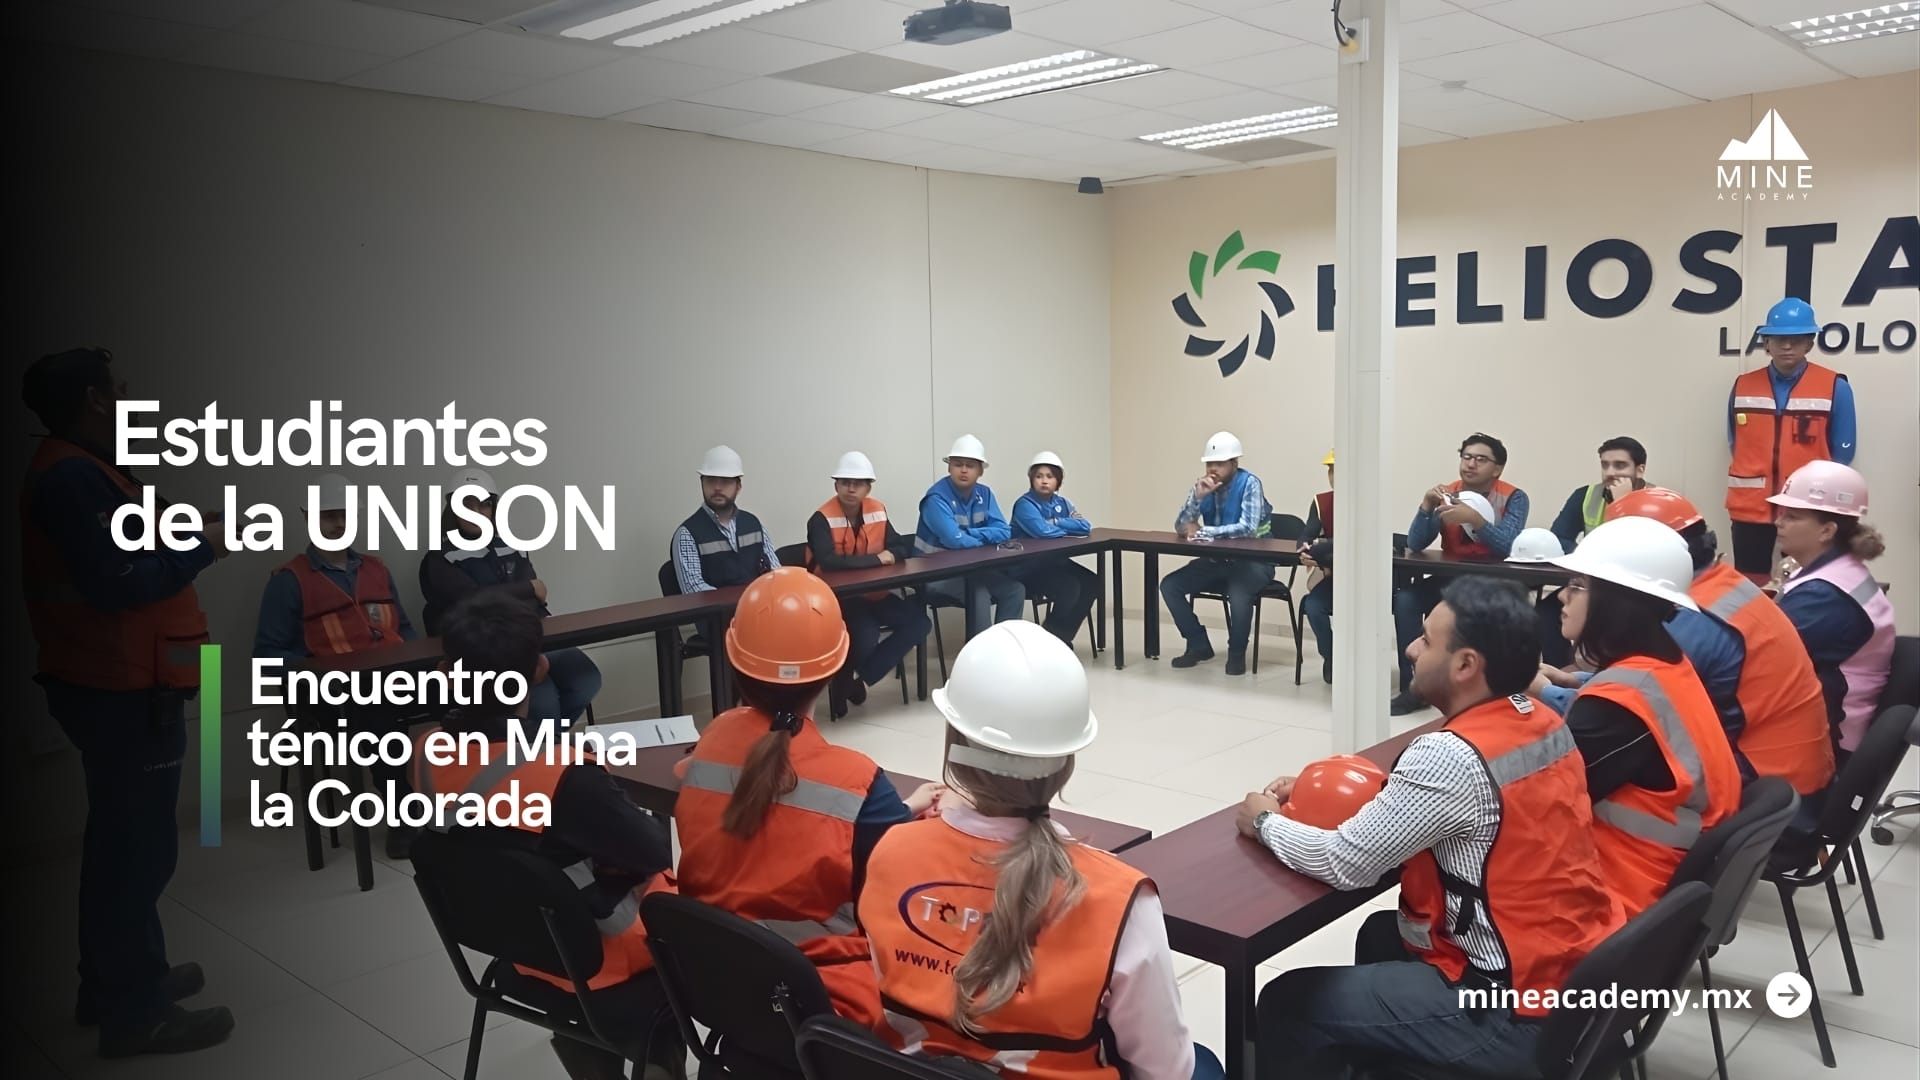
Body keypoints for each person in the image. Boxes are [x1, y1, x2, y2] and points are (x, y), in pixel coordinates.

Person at [1242, 578, 1623, 1078]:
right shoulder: (1543, 720)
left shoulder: (1447, 756)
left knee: (1287, 1000)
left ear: (1466, 665)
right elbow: (1462, 804)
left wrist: (1264, 822)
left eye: (1425, 639)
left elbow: (1343, 864)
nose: (1411, 648)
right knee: (1381, 935)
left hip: (1507, 1008)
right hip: (1570, 974)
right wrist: (1328, 789)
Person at [861, 621, 1226, 1080]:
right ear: (1066, 764)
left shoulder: (891, 850)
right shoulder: (1118, 899)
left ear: (953, 741)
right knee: (1204, 1066)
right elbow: (1165, 1069)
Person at [20, 348, 235, 1057]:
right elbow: (117, 582)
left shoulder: (90, 469)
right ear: (92, 397)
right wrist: (201, 547)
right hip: (119, 690)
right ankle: (134, 1014)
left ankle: (114, 982)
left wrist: (186, 531)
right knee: (136, 854)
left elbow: (132, 548)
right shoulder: (73, 479)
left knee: (123, 845)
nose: (126, 396)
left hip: (129, 684)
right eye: (116, 388)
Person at [414, 592, 676, 1080]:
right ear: (538, 671)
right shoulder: (562, 777)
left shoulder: (425, 753)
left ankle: (582, 1051)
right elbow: (653, 850)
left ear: (447, 669)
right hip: (602, 962)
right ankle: (656, 1062)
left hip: (515, 947)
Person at [673, 568, 940, 1027]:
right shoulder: (857, 780)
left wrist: (899, 812)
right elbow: (905, 884)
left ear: (736, 662)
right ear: (835, 666)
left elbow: (766, 803)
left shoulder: (713, 737)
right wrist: (913, 817)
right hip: (820, 1001)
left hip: (714, 980)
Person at [1590, 489, 1833, 813]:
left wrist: (1545, 691)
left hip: (1767, 796)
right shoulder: (1723, 585)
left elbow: (1625, 712)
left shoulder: (1691, 621)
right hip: (1789, 778)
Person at [1545, 517, 1742, 916]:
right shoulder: (1666, 663)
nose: (1562, 597)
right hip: (1665, 889)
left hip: (1619, 894)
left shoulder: (1618, 705)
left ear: (1617, 601)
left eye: (1579, 585)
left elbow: (1539, 802)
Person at [254, 471, 421, 858]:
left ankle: (479, 796)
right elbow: (267, 659)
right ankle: (405, 813)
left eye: (346, 514)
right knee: (375, 708)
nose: (340, 523)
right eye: (330, 515)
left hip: (394, 680)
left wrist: (421, 666)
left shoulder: (377, 569)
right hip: (334, 697)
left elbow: (407, 630)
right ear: (310, 517)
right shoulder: (288, 581)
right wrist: (321, 677)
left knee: (472, 684)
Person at [418, 466, 602, 725]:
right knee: (544, 701)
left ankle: (546, 741)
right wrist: (527, 588)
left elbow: (532, 599)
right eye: (468, 505)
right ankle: (538, 749)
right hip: (491, 647)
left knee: (586, 678)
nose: (478, 513)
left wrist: (514, 594)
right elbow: (472, 602)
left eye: (485, 505)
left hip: (535, 632)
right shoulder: (440, 556)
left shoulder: (511, 545)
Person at [1391, 433, 1530, 715]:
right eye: (1466, 457)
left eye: (1481, 459)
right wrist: (1426, 507)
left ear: (1498, 468)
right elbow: (1416, 543)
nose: (1471, 464)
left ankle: (1489, 690)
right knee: (1406, 600)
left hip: (1495, 583)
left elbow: (1508, 545)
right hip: (1451, 579)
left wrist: (1476, 521)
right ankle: (1414, 686)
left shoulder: (1514, 497)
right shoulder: (1448, 493)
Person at [1768, 461, 1896, 765]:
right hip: (1826, 721)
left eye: (1792, 516)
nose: (1778, 522)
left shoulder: (1826, 596)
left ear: (1827, 530)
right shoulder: (1838, 572)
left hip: (1828, 741)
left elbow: (1761, 658)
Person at [1726, 297, 1857, 585]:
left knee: (1805, 582)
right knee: (1749, 584)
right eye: (1779, 338)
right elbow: (1736, 441)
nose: (1787, 345)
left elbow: (1842, 454)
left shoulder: (1836, 387)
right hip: (1751, 505)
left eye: (1796, 339)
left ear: (1809, 343)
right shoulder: (1743, 386)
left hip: (1807, 505)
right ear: (1766, 343)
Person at [804, 451, 931, 718]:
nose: (851, 488)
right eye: (845, 482)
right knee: (865, 634)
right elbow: (829, 562)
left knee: (920, 623)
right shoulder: (820, 519)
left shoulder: (877, 510)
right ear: (836, 484)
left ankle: (858, 679)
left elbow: (899, 547)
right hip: (839, 600)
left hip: (876, 593)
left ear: (868, 487)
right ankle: (842, 678)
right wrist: (877, 558)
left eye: (858, 483)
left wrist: (889, 555)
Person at [1163, 431, 1274, 677]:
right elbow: (1181, 527)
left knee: (1238, 594)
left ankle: (1236, 654)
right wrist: (1197, 498)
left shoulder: (1250, 484)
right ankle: (1198, 644)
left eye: (1220, 463)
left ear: (1234, 463)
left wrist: (1206, 532)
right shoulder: (1203, 486)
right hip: (1218, 560)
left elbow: (1248, 527)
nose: (1213, 468)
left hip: (1254, 561)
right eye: (1209, 463)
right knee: (1170, 585)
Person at [915, 434, 1024, 639]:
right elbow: (954, 541)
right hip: (935, 574)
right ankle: (981, 661)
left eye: (970, 465)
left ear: (980, 470)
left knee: (1014, 590)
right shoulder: (935, 498)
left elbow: (1004, 531)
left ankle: (1005, 652)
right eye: (958, 464)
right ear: (949, 467)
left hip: (971, 570)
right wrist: (981, 537)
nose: (963, 470)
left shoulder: (986, 494)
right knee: (979, 593)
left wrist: (970, 534)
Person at [1010, 451, 1099, 648]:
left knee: (1093, 582)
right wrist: (1065, 526)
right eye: (1039, 476)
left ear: (1058, 481)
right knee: (1070, 587)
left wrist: (1057, 521)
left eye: (1049, 476)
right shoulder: (1024, 505)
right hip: (1027, 567)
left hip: (1053, 562)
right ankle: (1047, 642)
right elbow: (1042, 532)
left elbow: (1085, 526)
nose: (1044, 481)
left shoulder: (1063, 503)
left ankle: (1061, 638)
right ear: (1031, 479)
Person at [672, 445, 778, 594]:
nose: (717, 487)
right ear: (701, 483)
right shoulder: (687, 535)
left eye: (725, 480)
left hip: (757, 611)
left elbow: (776, 575)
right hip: (715, 616)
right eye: (710, 480)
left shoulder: (754, 525)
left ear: (738, 486)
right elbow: (694, 592)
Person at [1548, 436, 1649, 554]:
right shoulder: (1585, 495)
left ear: (1640, 470)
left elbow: (1646, 552)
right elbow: (1557, 539)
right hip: (1592, 569)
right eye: (1605, 465)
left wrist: (1622, 504)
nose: (1609, 473)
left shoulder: (1660, 500)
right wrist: (1586, 555)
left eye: (1620, 465)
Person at [1298, 449, 1335, 683]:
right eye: (1331, 470)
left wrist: (1325, 546)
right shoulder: (1321, 501)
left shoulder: (1369, 499)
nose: (1333, 475)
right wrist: (1303, 550)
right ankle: (1331, 658)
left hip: (1364, 582)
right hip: (1334, 577)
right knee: (1313, 606)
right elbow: (1307, 534)